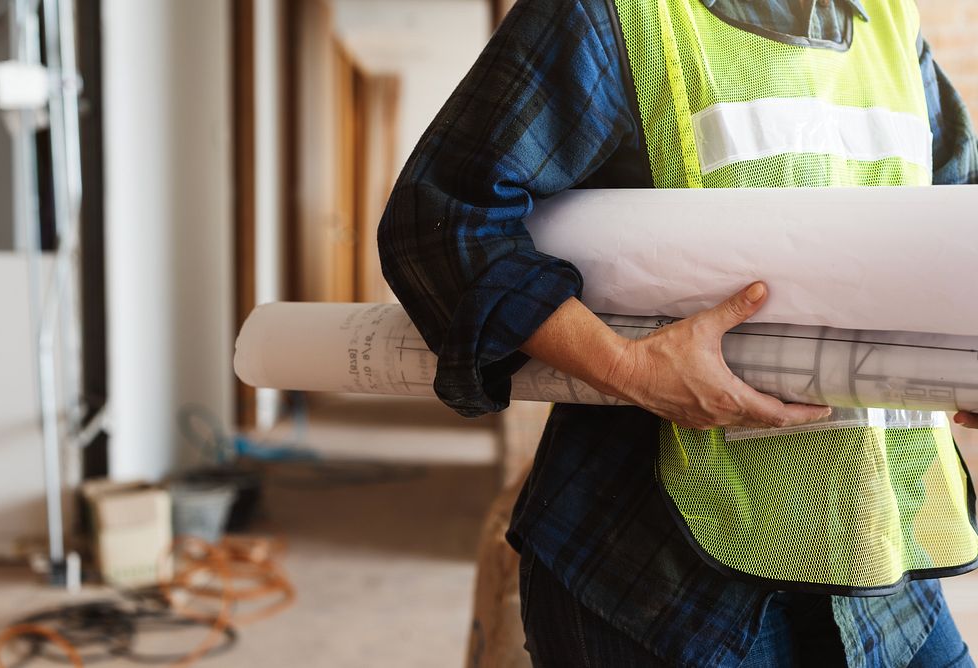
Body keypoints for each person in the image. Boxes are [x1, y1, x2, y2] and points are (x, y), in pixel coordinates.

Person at [377, 0, 978, 665]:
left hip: (875, 552)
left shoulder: (888, 23)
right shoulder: (608, 15)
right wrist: (627, 368)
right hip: (664, 578)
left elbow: (961, 212)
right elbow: (440, 222)